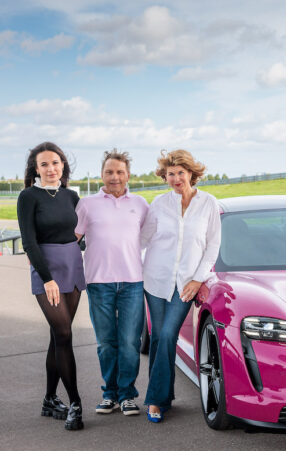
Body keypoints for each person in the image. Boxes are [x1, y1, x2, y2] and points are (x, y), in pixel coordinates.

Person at [140, 149, 221, 423]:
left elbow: (213, 245)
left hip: (186, 283)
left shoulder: (209, 204)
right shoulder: (159, 204)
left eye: (180, 173)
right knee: (161, 338)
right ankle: (162, 398)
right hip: (155, 278)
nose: (175, 178)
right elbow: (143, 239)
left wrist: (198, 278)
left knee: (165, 335)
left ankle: (155, 400)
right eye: (170, 174)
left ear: (191, 174)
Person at [17, 142, 86, 430]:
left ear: (63, 166)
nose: (50, 168)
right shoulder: (28, 196)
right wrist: (47, 279)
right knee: (64, 331)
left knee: (58, 337)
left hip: (73, 266)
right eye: (44, 164)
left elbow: (79, 233)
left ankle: (49, 399)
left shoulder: (72, 196)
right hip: (47, 270)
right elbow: (29, 241)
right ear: (36, 169)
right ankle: (75, 404)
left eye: (55, 163)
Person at [75, 149, 149, 416]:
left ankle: (127, 395)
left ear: (128, 174)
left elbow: (151, 239)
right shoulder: (86, 205)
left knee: (129, 342)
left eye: (119, 172)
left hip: (132, 282)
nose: (114, 177)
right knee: (106, 342)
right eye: (109, 172)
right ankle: (110, 394)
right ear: (102, 175)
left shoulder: (140, 204)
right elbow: (72, 239)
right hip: (99, 283)